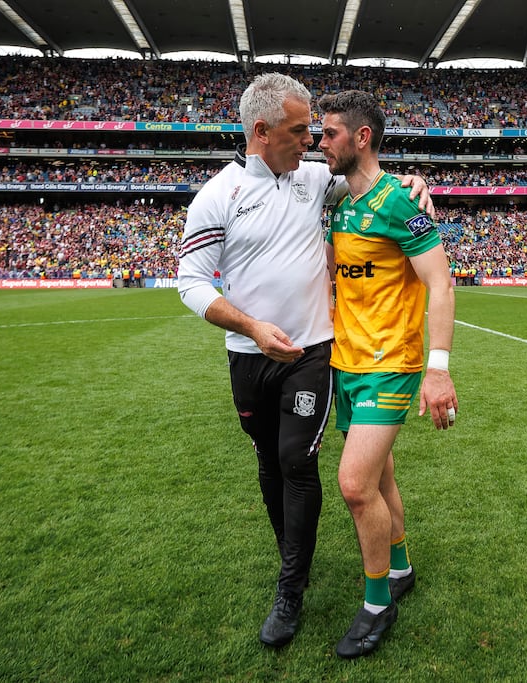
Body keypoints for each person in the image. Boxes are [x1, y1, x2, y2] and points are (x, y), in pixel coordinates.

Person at [176, 73, 432, 650]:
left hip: (314, 353)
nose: (311, 141)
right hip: (248, 355)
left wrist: (417, 182)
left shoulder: (315, 179)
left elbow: (373, 184)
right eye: (298, 131)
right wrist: (249, 326)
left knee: (299, 459)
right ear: (261, 132)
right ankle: (302, 563)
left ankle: (290, 588)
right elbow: (190, 282)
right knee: (271, 462)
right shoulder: (218, 195)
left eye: (314, 130)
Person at [318, 90, 458, 659]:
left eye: (328, 134)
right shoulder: (340, 204)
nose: (318, 142)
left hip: (389, 366)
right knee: (378, 479)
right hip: (346, 363)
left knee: (354, 486)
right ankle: (399, 567)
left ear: (362, 137)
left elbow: (441, 284)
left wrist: (439, 369)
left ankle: (378, 604)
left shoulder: (400, 203)